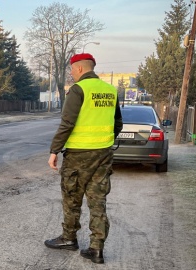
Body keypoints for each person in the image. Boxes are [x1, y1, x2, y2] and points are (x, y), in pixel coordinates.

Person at [44, 53, 123, 264]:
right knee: (98, 201)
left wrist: (54, 151)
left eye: (72, 69)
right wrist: (104, 142)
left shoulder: (78, 90)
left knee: (72, 197)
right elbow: (118, 124)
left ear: (79, 68)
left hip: (78, 155)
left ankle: (69, 238)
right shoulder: (110, 90)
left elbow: (67, 123)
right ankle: (96, 249)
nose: (71, 73)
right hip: (103, 154)